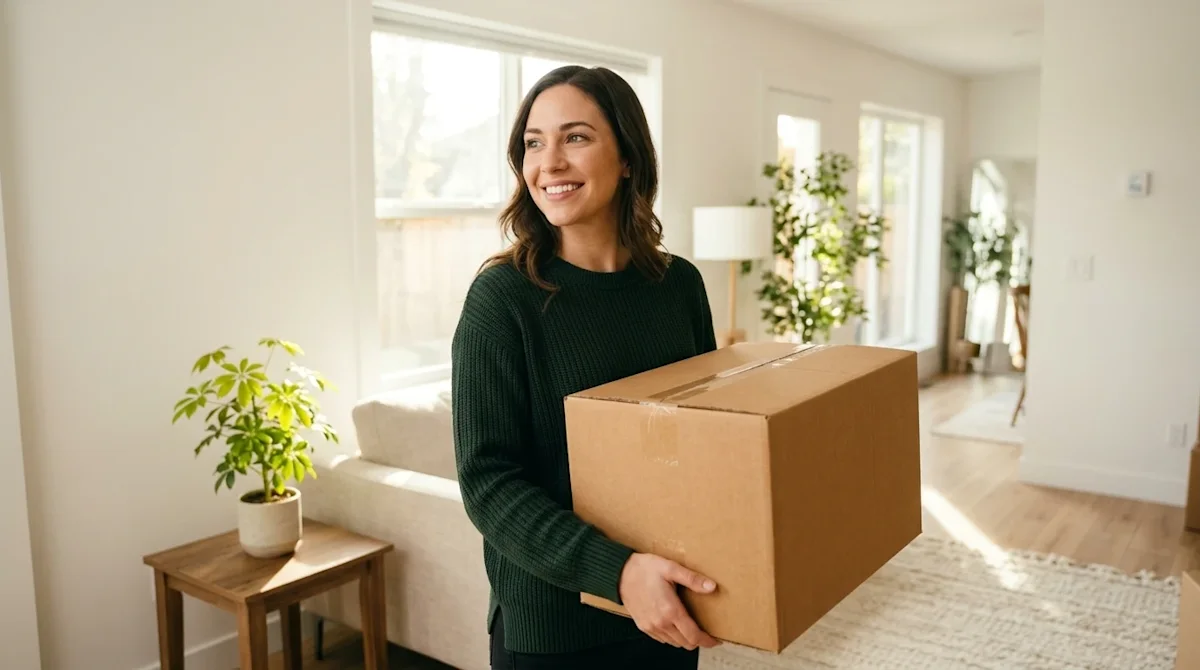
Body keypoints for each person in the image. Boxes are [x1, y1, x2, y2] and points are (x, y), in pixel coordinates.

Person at [450, 64, 722, 670]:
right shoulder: (503, 298)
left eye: (575, 137)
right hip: (554, 626)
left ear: (627, 157)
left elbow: (704, 439)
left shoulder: (679, 285)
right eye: (533, 142)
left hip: (669, 600)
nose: (549, 162)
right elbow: (489, 483)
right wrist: (618, 571)